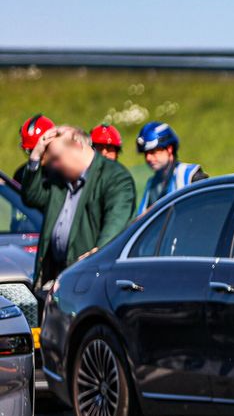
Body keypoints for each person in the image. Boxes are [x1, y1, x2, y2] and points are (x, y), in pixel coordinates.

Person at [21, 126, 136, 289]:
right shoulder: (59, 181)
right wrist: (35, 156)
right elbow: (31, 197)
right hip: (57, 276)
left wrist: (95, 258)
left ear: (76, 145)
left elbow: (116, 225)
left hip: (90, 278)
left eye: (56, 158)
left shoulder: (114, 176)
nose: (53, 165)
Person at [135, 121, 206, 215]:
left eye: (153, 151)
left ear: (169, 149)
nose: (148, 158)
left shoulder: (190, 175)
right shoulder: (151, 184)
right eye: (146, 153)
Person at [13, 114, 56, 194]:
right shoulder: (21, 174)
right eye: (31, 151)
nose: (34, 156)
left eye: (39, 150)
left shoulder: (64, 175)